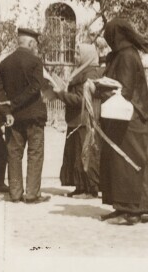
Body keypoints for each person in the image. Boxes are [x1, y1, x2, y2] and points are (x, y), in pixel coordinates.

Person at [98, 18, 148, 225]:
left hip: (130, 119)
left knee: (127, 164)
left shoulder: (127, 57)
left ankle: (131, 211)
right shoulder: (121, 55)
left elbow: (125, 89)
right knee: (127, 163)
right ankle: (122, 205)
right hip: (125, 118)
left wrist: (98, 88)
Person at [0, 28, 50, 204]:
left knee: (14, 154)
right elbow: (35, 88)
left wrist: (7, 111)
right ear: (31, 43)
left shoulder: (3, 64)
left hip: (13, 119)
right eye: (35, 44)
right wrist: (15, 103)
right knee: (35, 154)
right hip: (34, 117)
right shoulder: (35, 62)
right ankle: (32, 194)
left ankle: (15, 193)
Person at [54, 43, 101, 198]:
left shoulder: (90, 74)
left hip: (84, 121)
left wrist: (61, 94)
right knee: (75, 155)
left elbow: (82, 100)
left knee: (85, 155)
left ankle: (90, 189)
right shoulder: (81, 72)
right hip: (76, 120)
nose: (75, 57)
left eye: (78, 54)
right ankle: (80, 187)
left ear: (87, 56)